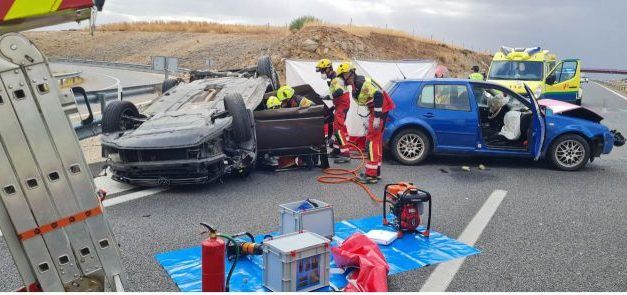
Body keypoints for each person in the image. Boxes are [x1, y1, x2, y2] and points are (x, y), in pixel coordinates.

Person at [336, 62, 395, 184]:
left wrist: (377, 117)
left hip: (380, 110)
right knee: (376, 140)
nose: (341, 79)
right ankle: (375, 171)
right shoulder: (355, 85)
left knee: (372, 141)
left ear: (348, 74)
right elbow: (370, 99)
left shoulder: (360, 83)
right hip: (377, 110)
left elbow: (378, 95)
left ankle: (371, 175)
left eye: (342, 76)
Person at [316, 58, 351, 164]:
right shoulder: (334, 79)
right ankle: (336, 150)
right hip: (339, 105)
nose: (322, 73)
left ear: (328, 69)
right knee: (337, 128)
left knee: (338, 129)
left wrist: (325, 96)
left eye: (322, 71)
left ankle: (345, 154)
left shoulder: (336, 79)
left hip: (342, 105)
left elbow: (339, 92)